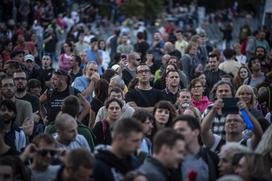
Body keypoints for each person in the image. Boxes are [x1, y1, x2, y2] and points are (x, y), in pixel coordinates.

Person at [172, 115, 219, 181]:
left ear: (196, 132)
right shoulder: (171, 159)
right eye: (175, 131)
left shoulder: (212, 158)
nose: (177, 134)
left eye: (181, 130)